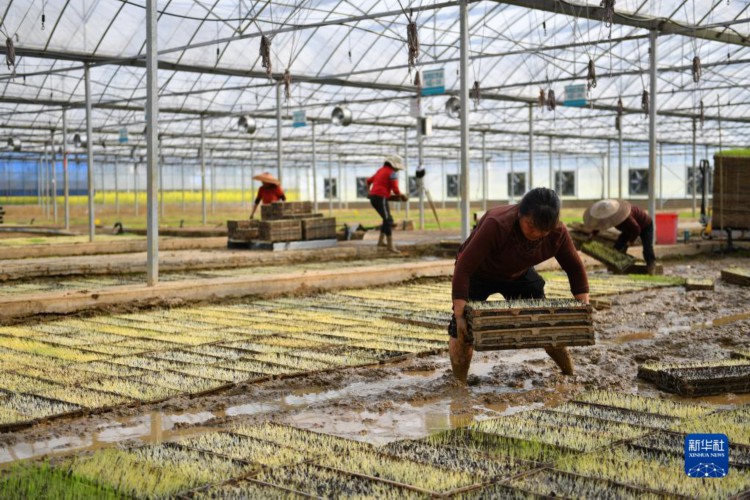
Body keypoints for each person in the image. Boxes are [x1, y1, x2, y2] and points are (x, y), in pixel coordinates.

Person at [450, 188, 590, 383]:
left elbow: (574, 268)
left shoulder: (557, 233)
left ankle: (569, 373)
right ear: (520, 214)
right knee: (461, 328)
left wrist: (583, 308)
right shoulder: (497, 224)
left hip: (518, 274)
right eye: (531, 227)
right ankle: (459, 383)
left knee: (547, 322)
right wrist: (459, 314)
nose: (537, 234)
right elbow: (464, 266)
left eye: (544, 230)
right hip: (478, 273)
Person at [583, 199, 656, 274]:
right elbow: (601, 224)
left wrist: (630, 241)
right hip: (628, 228)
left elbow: (637, 229)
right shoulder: (610, 216)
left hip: (645, 225)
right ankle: (615, 266)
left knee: (647, 248)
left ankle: (651, 266)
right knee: (618, 246)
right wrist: (592, 234)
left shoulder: (626, 216)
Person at [367, 155, 407, 253]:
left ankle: (381, 241)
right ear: (394, 165)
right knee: (388, 220)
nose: (398, 170)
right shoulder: (392, 173)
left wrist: (369, 192)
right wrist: (402, 196)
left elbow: (368, 181)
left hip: (374, 198)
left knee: (387, 219)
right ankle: (390, 246)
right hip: (380, 198)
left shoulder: (380, 170)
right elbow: (395, 189)